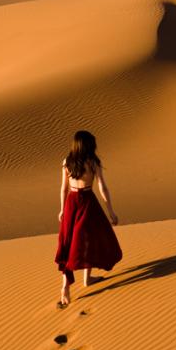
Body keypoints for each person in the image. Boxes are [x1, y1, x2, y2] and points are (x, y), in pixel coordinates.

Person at [54, 130, 122, 309]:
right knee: (89, 239)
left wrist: (62, 209)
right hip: (87, 202)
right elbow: (102, 187)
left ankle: (69, 285)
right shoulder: (93, 162)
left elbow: (63, 188)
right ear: (87, 145)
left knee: (68, 243)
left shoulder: (67, 161)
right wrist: (111, 211)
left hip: (71, 203)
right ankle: (84, 280)